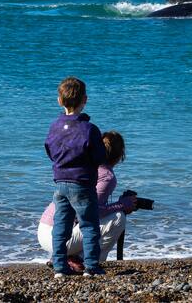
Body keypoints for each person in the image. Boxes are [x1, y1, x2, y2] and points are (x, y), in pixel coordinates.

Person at [39, 131, 137, 272]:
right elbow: (90, 211)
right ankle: (82, 260)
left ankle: (65, 257)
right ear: (120, 155)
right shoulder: (107, 176)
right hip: (59, 237)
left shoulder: (82, 166)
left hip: (45, 231)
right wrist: (122, 205)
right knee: (118, 218)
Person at [44, 77, 107, 278]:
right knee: (89, 225)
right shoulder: (90, 129)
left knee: (61, 226)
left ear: (59, 101)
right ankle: (91, 267)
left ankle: (60, 267)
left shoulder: (54, 126)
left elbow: (49, 149)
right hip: (82, 183)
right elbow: (99, 157)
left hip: (60, 183)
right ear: (85, 100)